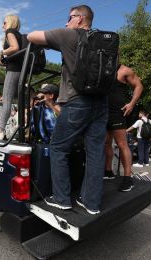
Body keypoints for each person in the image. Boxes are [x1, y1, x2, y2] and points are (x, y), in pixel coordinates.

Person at [28, 5, 107, 214]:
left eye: (69, 17)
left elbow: (32, 36)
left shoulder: (68, 35)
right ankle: (91, 203)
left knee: (57, 148)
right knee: (95, 153)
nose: (66, 22)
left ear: (80, 18)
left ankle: (62, 199)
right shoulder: (102, 42)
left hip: (77, 101)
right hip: (101, 103)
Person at [104, 65, 143, 192]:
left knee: (122, 144)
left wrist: (132, 103)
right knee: (106, 144)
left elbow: (139, 85)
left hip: (117, 112)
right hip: (102, 112)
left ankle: (128, 179)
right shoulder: (101, 67)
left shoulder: (124, 70)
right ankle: (108, 171)